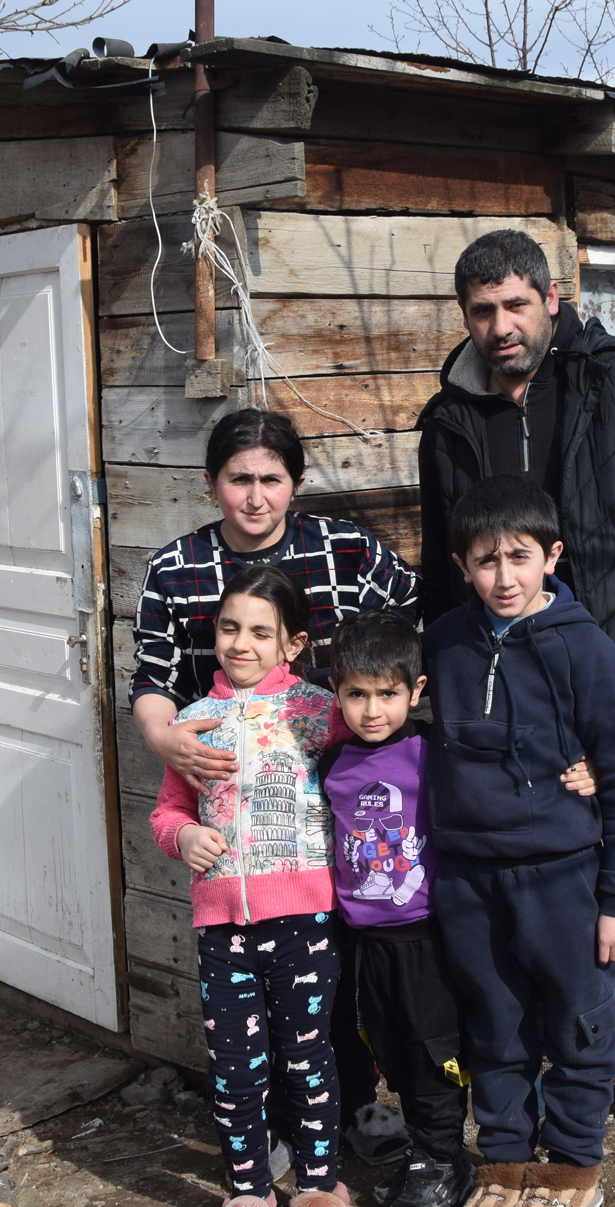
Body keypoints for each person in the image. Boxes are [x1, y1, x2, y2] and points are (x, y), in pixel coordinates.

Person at [415, 230, 615, 1146]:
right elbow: (440, 556)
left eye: (516, 304)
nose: (500, 326)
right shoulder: (449, 418)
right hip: (506, 697)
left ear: (552, 299)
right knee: (513, 884)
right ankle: (540, 1062)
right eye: (482, 311)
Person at [135, 407, 420, 1162]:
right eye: (239, 479)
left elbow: (419, 619)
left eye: (271, 478)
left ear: (294, 482)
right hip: (229, 783)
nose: (255, 497)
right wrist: (169, 742)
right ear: (212, 483)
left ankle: (351, 1108)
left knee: (340, 974)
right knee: (252, 1010)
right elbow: (153, 678)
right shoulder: (176, 568)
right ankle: (278, 1131)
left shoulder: (345, 549)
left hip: (341, 782)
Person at [424, 477, 615, 1207]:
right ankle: (506, 1165)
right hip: (468, 879)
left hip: (563, 876)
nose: (504, 577)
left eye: (519, 557)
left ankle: (573, 1166)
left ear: (551, 556)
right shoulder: (444, 643)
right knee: (494, 1025)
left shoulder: (585, 648)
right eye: (485, 560)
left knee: (583, 1022)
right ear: (461, 566)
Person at [149, 565, 352, 1207]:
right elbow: (167, 811)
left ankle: (319, 1186)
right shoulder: (193, 721)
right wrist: (183, 837)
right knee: (235, 1071)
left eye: (261, 632)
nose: (241, 644)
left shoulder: (319, 711)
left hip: (305, 922)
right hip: (222, 930)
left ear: (293, 644)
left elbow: (380, 751)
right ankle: (248, 1190)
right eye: (229, 628)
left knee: (307, 1060)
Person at [317, 611, 468, 1207]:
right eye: (357, 694)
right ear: (336, 691)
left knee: (434, 1053)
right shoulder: (332, 764)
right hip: (364, 945)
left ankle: (443, 1159)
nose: (372, 710)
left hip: (427, 940)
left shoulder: (433, 750)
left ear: (416, 690)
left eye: (387, 694)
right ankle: (419, 1147)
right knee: (390, 1051)